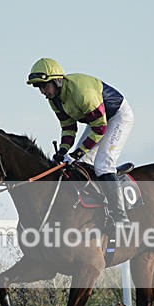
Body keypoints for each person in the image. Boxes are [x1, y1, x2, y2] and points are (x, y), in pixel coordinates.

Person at [26, 57, 134, 225]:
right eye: (39, 87)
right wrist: (63, 151)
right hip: (97, 121)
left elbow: (100, 128)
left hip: (117, 117)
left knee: (103, 165)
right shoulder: (54, 100)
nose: (42, 91)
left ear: (57, 81)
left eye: (44, 86)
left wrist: (77, 152)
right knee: (80, 164)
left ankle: (121, 217)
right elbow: (68, 128)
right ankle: (99, 208)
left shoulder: (81, 94)